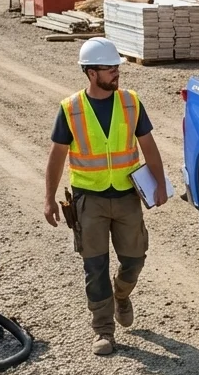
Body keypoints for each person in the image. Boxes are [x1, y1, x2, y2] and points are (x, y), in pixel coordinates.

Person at [44, 37, 169, 355]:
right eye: (109, 68)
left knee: (134, 260)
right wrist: (48, 198)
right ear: (90, 72)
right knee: (94, 265)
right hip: (89, 199)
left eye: (117, 68)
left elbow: (148, 145)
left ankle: (122, 295)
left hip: (127, 195)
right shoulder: (70, 109)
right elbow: (57, 156)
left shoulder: (131, 102)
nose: (116, 73)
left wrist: (160, 183)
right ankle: (103, 330)